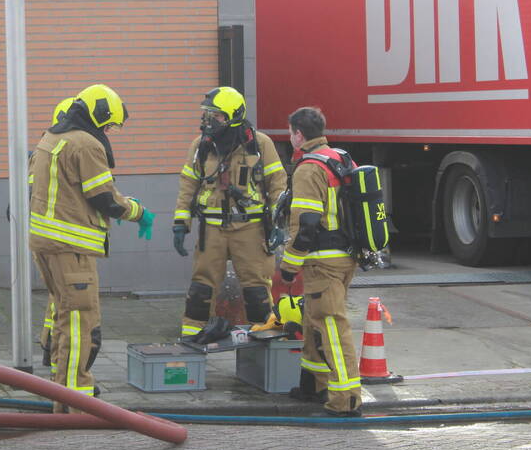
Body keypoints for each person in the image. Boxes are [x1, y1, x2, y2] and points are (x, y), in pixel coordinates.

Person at [28, 84, 153, 410]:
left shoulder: (51, 138)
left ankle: (60, 385)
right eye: (109, 124)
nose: (109, 131)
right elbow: (104, 198)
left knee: (63, 314)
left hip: (46, 243)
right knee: (81, 320)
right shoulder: (86, 144)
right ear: (98, 116)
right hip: (71, 246)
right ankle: (74, 397)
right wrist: (137, 211)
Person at [173, 86, 287, 339]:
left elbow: (278, 184)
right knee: (201, 288)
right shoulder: (201, 145)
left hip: (250, 227)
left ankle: (264, 340)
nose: (210, 121)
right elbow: (188, 185)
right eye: (208, 115)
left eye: (217, 115)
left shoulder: (259, 144)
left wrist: (278, 223)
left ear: (234, 115)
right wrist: (181, 223)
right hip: (211, 229)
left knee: (256, 289)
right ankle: (192, 338)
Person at [279, 106, 362, 416]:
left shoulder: (308, 169)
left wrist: (288, 266)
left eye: (290, 133)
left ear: (299, 135)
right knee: (314, 319)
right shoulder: (340, 158)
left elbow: (306, 225)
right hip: (344, 257)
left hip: (323, 262)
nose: (290, 138)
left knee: (331, 325)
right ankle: (314, 385)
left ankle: (346, 398)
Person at [38, 97, 75, 374]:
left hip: (47, 233)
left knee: (57, 300)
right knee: (63, 302)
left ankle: (51, 353)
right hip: (58, 236)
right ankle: (54, 357)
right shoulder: (56, 149)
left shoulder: (47, 146)